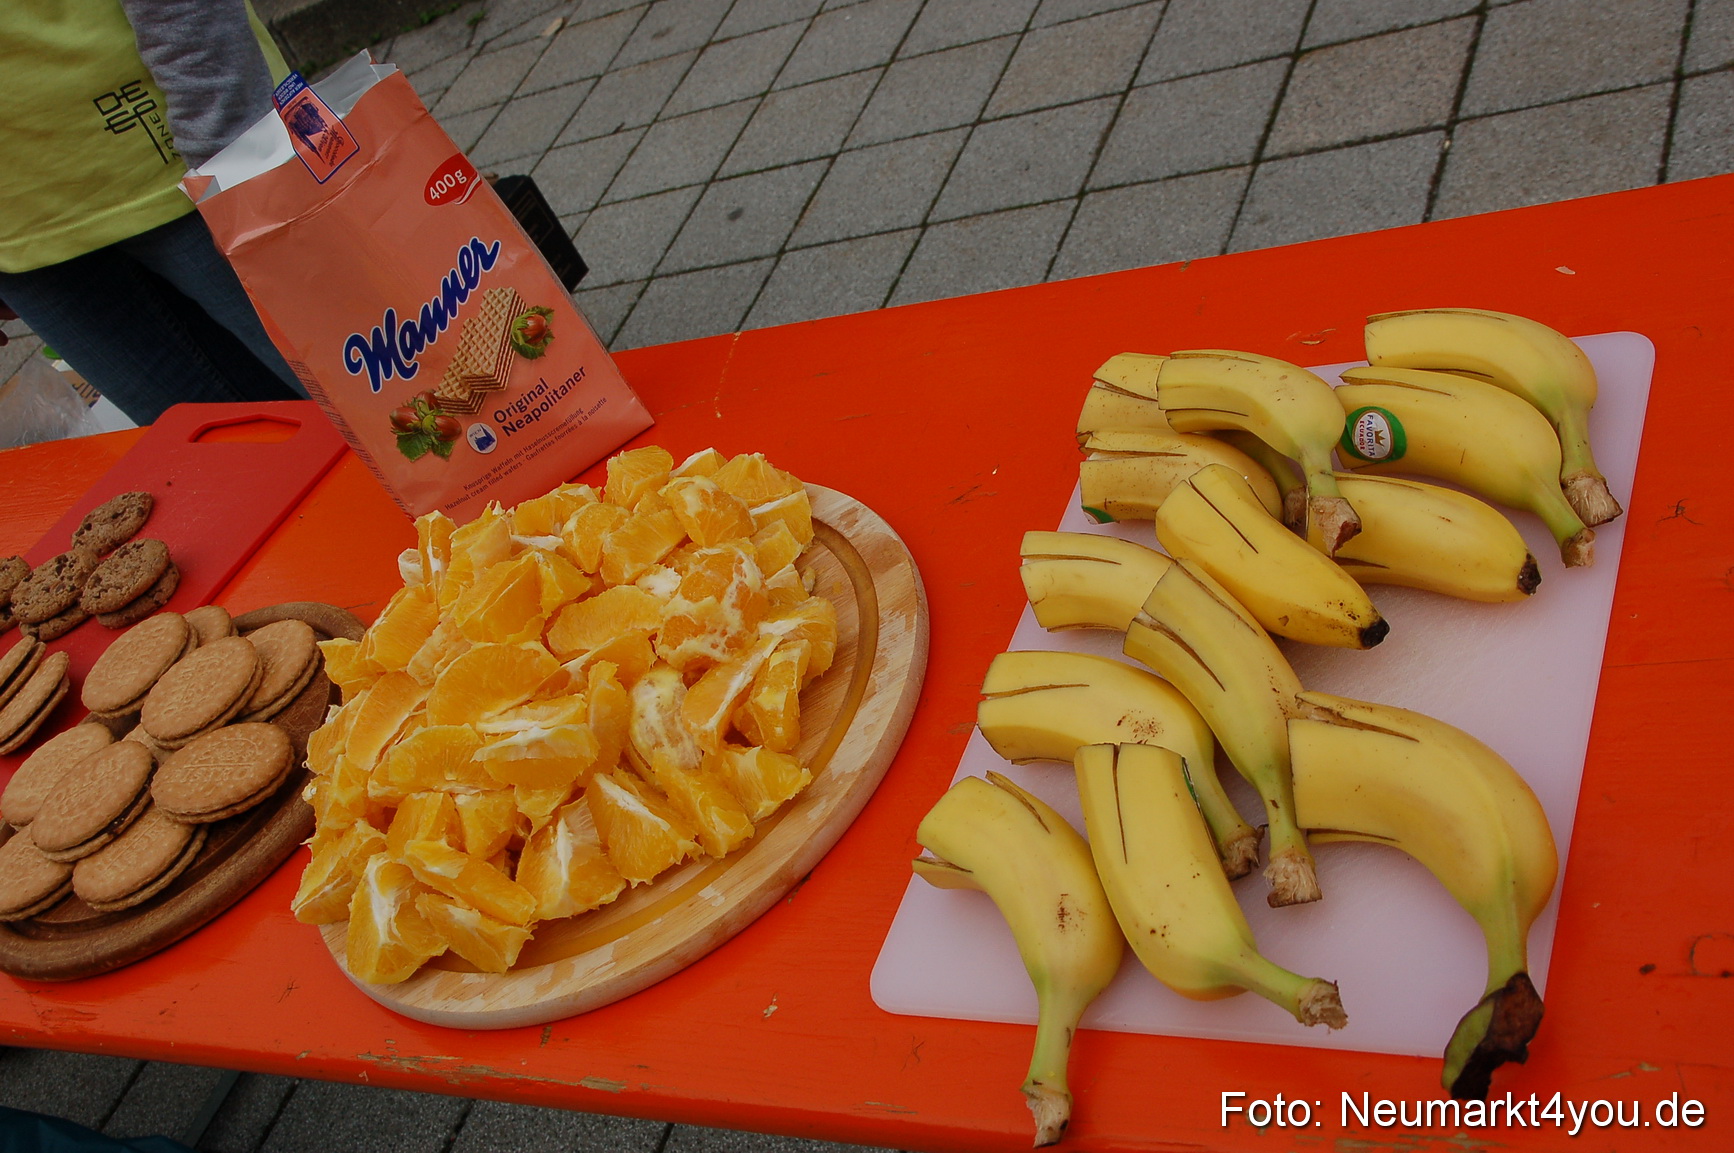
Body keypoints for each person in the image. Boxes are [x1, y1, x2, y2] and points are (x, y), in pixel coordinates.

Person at [0, 0, 308, 426]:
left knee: (401, 408)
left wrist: (229, 154)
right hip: (24, 246)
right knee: (240, 465)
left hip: (185, 167)